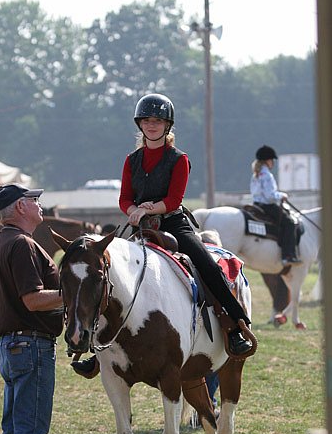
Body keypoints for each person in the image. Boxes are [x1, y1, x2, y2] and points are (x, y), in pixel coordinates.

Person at [72, 92, 252, 377]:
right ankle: (97, 350)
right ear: (139, 124)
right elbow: (124, 198)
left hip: (173, 224)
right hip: (140, 227)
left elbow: (174, 198)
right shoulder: (131, 160)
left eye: (157, 120)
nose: (151, 125)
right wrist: (132, 209)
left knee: (205, 264)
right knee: (110, 277)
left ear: (167, 125)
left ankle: (235, 326)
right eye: (146, 120)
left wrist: (149, 208)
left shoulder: (179, 159)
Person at [0, 182, 74, 434]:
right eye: (34, 200)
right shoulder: (21, 244)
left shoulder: (3, 242)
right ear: (20, 208)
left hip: (14, 345)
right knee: (29, 430)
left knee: (14, 430)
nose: (40, 205)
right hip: (31, 345)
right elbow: (33, 299)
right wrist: (72, 293)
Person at [250, 145, 302, 265]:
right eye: (271, 160)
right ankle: (288, 256)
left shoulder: (256, 174)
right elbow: (270, 196)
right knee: (289, 223)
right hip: (267, 206)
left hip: (257, 204)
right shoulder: (267, 175)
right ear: (267, 161)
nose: (273, 162)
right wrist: (282, 195)